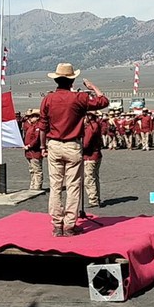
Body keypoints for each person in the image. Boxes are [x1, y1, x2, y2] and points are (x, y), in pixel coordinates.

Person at [38, 63, 108, 237]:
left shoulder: (48, 99)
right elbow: (103, 102)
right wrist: (93, 87)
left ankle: (56, 224)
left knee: (55, 186)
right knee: (73, 186)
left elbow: (42, 126)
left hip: (54, 145)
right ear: (72, 80)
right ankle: (69, 224)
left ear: (56, 79)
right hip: (72, 145)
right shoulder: (79, 98)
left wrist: (42, 146)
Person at [83, 110, 103, 207]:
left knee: (89, 178)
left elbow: (86, 143)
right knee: (95, 177)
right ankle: (96, 197)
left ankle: (93, 199)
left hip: (90, 155)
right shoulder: (96, 125)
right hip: (96, 154)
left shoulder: (91, 127)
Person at [23, 109, 43, 191]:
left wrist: (29, 145)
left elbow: (36, 139)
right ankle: (33, 185)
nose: (30, 118)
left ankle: (37, 186)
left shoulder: (38, 127)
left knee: (37, 170)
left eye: (32, 116)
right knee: (31, 170)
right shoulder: (31, 126)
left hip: (34, 151)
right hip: (29, 152)